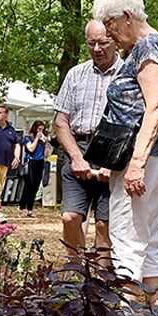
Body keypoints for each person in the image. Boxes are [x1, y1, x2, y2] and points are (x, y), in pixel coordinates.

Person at [93, 0, 158, 294]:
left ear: (127, 16)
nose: (108, 33)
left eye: (110, 24)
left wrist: (136, 164)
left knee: (127, 241)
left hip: (146, 156)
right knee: (146, 241)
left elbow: (157, 103)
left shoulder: (147, 48)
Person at [54, 19, 120, 259]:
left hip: (112, 151)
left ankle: (103, 284)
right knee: (70, 217)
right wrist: (76, 157)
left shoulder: (127, 75)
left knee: (105, 224)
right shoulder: (75, 74)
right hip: (78, 147)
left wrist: (111, 163)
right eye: (91, 43)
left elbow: (134, 124)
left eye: (103, 42)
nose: (97, 49)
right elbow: (61, 122)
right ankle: (78, 273)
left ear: (115, 40)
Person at [17, 120, 50, 211]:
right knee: (28, 186)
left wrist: (46, 144)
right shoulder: (28, 137)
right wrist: (36, 139)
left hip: (40, 162)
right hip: (31, 162)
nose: (40, 132)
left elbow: (46, 154)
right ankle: (22, 207)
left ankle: (30, 209)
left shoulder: (42, 140)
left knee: (35, 186)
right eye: (39, 129)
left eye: (42, 130)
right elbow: (31, 149)